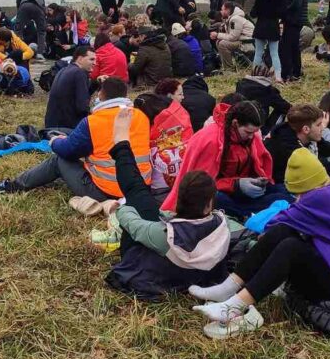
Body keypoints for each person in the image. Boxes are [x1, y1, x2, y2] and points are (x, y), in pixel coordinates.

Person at [188, 149, 330, 338]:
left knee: (290, 247)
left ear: (305, 187)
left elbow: (273, 223)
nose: (297, 199)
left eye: (298, 194)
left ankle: (233, 305)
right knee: (284, 232)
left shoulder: (319, 199)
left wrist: (279, 228)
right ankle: (227, 289)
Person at [104, 106, 243, 298]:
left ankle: (121, 145)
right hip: (198, 274)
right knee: (141, 197)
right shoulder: (222, 224)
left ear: (178, 198)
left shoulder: (163, 235)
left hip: (160, 271)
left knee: (137, 193)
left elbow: (133, 224)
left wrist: (120, 208)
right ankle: (121, 146)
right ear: (209, 204)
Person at [0, 77, 151, 199]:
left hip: (107, 191)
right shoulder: (141, 116)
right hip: (140, 190)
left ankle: (13, 186)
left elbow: (68, 151)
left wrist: (55, 141)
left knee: (58, 160)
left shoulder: (93, 122)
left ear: (101, 94)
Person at [163, 100, 287, 221]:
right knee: (218, 199)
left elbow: (258, 164)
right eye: (248, 132)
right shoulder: (211, 140)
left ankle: (250, 213)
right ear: (235, 123)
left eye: (255, 132)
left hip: (240, 192)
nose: (252, 137)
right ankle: (245, 216)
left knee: (281, 191)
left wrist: (258, 181)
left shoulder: (249, 137)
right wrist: (236, 185)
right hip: (219, 193)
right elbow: (200, 185)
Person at [140, 80, 193, 192]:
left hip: (157, 183)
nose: (183, 97)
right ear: (169, 96)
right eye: (180, 94)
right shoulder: (182, 115)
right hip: (183, 179)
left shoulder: (146, 112)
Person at [265, 103, 327, 183]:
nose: (323, 128)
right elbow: (316, 166)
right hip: (279, 184)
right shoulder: (289, 149)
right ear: (306, 129)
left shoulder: (308, 138)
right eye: (319, 125)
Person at [45, 45, 96, 129]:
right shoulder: (79, 73)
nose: (95, 63)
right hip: (67, 129)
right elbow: (82, 107)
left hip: (52, 126)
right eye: (91, 59)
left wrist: (96, 83)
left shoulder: (63, 70)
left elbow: (81, 94)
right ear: (80, 59)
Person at [249, 0, 288, 82]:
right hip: (273, 27)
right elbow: (283, 13)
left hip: (260, 26)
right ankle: (278, 77)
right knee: (274, 53)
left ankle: (254, 75)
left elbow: (253, 13)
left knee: (258, 52)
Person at [234, 64, 291, 135]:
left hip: (240, 122)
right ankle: (269, 132)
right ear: (268, 76)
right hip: (258, 124)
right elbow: (285, 107)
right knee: (282, 110)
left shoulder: (241, 85)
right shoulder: (268, 90)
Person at [280, 0, 309, 83]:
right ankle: (295, 72)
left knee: (288, 47)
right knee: (293, 47)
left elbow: (296, 4)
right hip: (294, 20)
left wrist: (283, 11)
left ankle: (291, 73)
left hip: (294, 20)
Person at [213, 1, 254, 70]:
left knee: (222, 44)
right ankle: (225, 66)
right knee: (219, 42)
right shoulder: (231, 18)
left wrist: (217, 35)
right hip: (242, 40)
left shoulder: (235, 19)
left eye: (222, 10)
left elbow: (233, 37)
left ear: (227, 10)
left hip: (247, 43)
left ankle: (229, 68)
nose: (221, 12)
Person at [129, 25, 172, 89]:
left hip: (151, 82)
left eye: (139, 36)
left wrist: (131, 63)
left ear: (143, 36)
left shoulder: (144, 49)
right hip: (166, 80)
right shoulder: (165, 44)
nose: (139, 39)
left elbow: (135, 69)